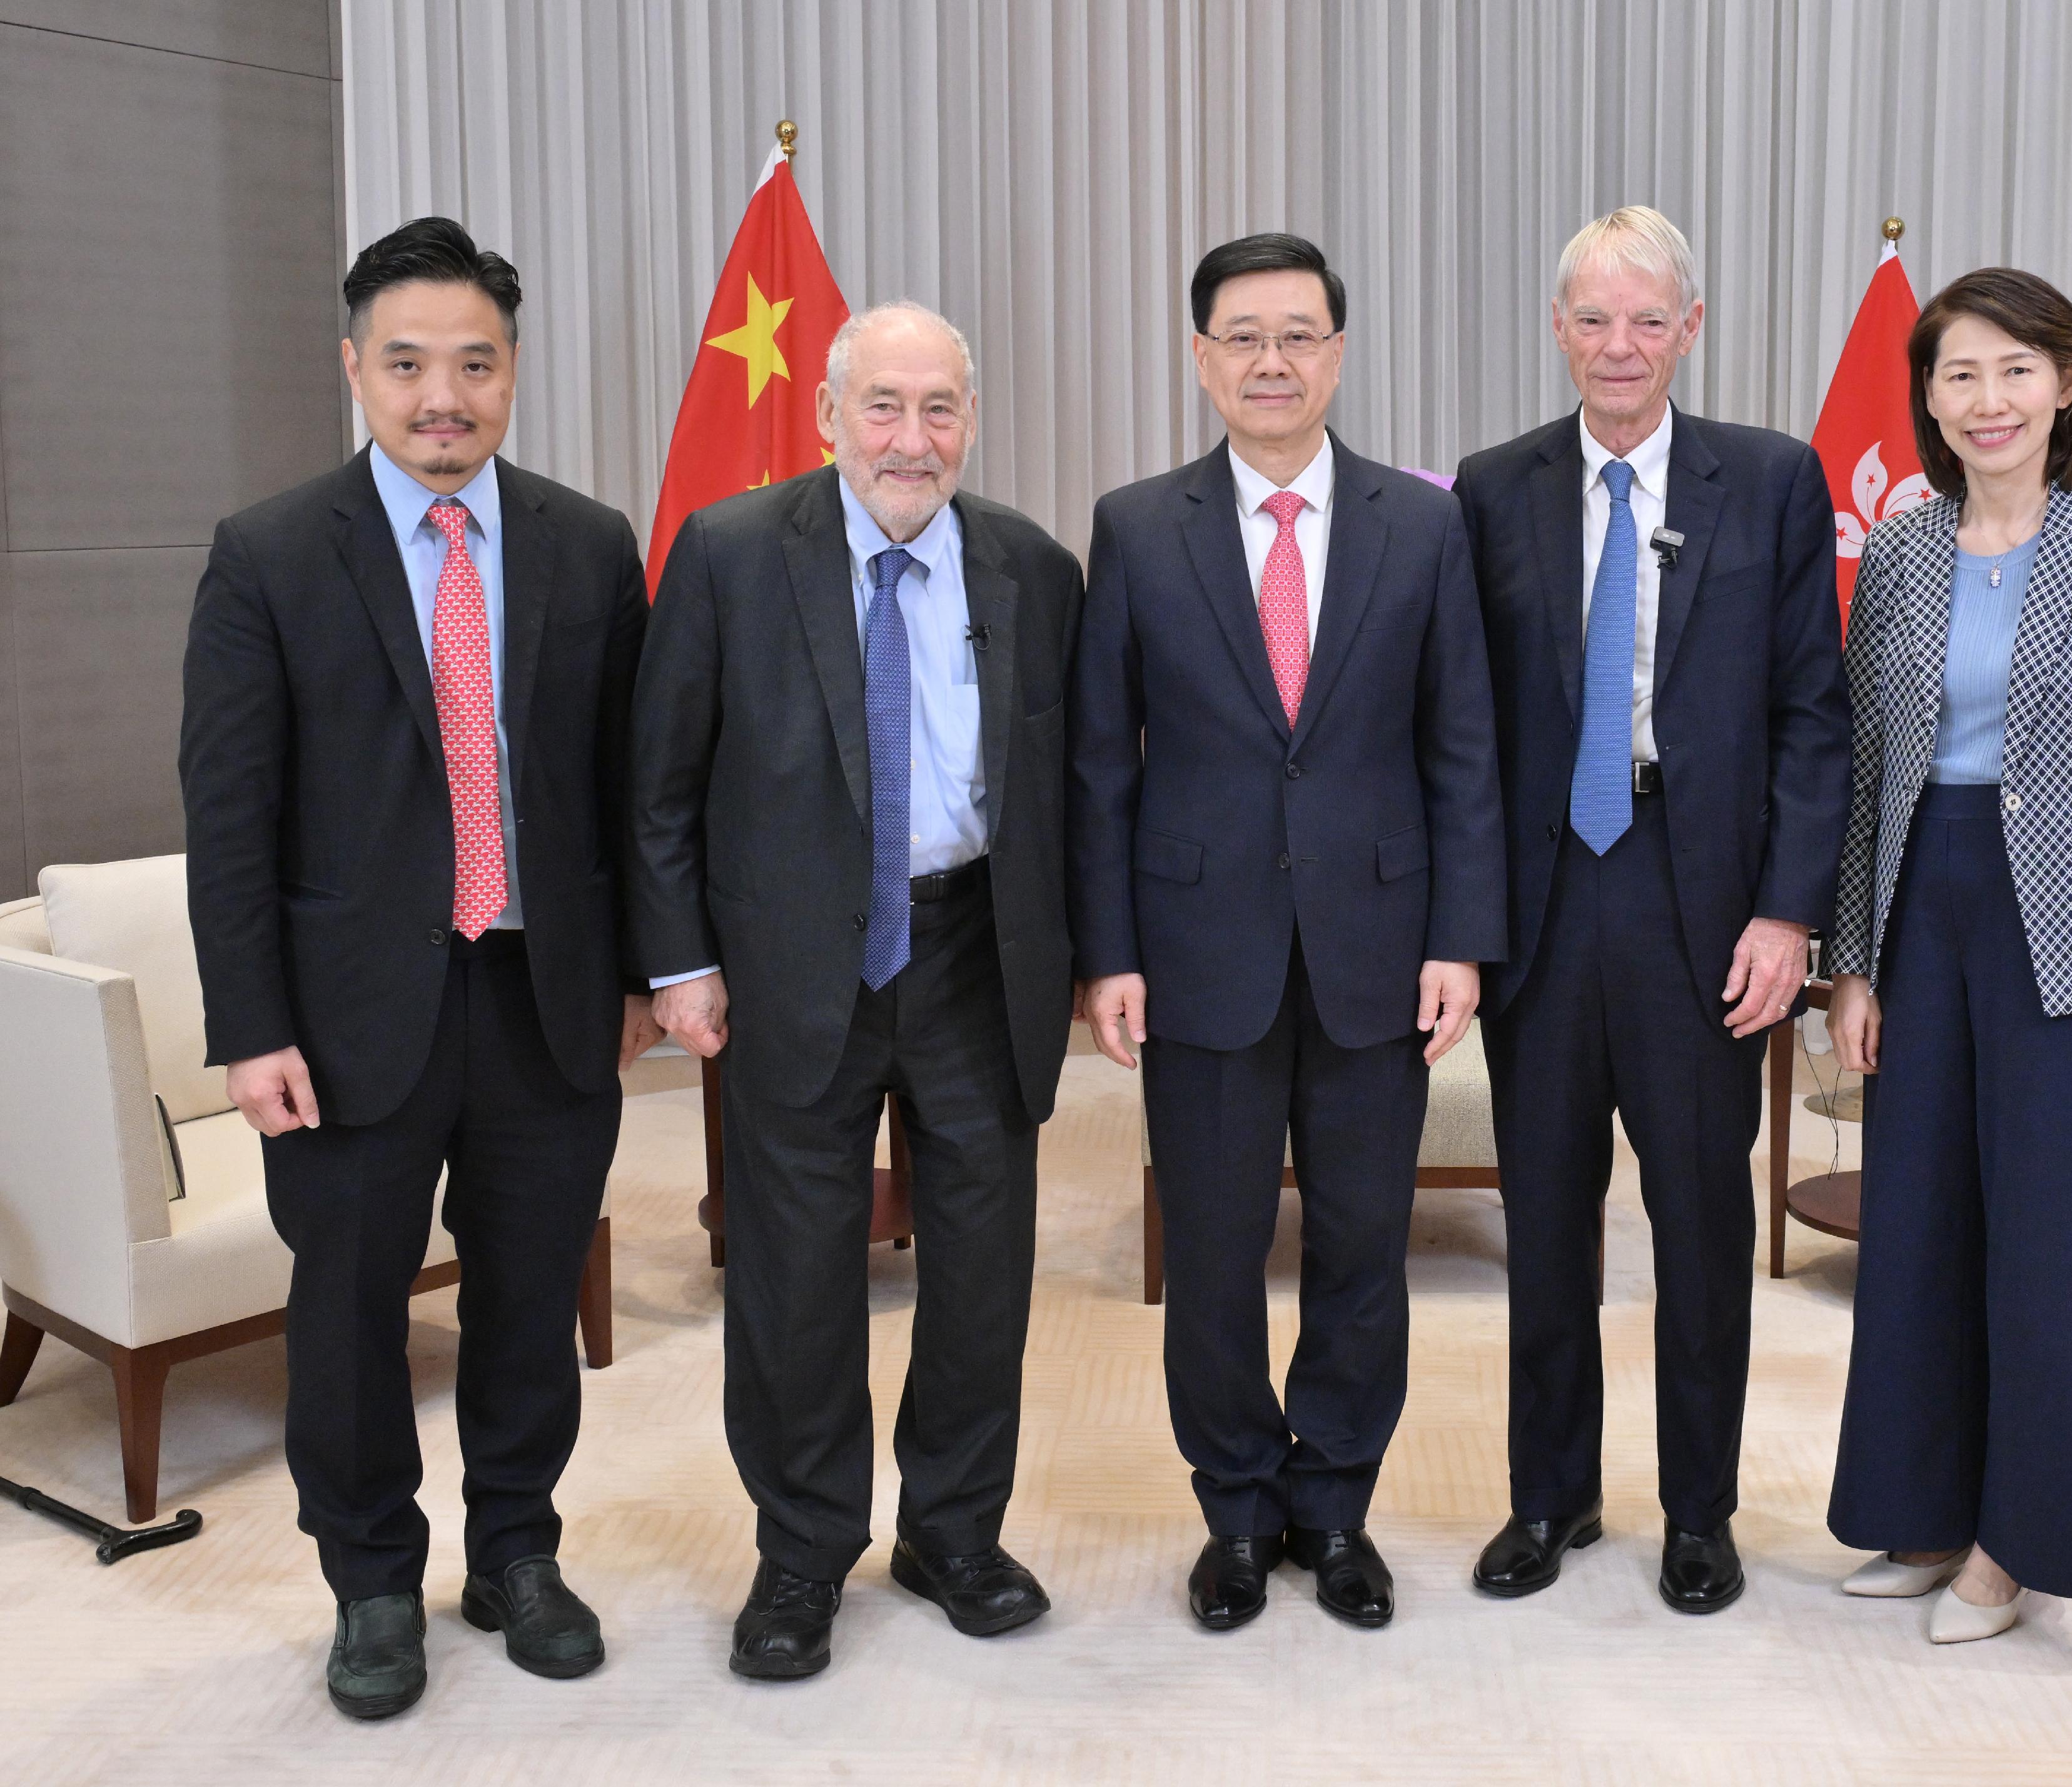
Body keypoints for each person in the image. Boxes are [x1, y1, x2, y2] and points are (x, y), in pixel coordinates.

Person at [180, 218, 655, 1719]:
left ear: (510, 371)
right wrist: (250, 1025)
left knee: (528, 1299)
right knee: (347, 1312)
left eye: (474, 363)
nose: (442, 395)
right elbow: (228, 813)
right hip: (344, 1016)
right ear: (354, 369)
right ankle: (372, 1578)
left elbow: (630, 787)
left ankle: (516, 1551)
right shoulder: (268, 554)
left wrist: (643, 973)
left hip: (544, 996)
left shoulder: (589, 543)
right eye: (407, 364)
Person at [632, 301, 1083, 1680]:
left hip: (974, 957)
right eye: (882, 405)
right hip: (789, 971)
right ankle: (801, 1551)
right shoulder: (727, 554)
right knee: (795, 1277)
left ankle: (954, 1533)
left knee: (982, 1273)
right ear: (828, 414)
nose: (910, 438)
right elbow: (659, 782)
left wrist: (1086, 959)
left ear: (971, 421)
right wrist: (680, 962)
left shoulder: (1031, 567)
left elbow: (1074, 789)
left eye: (939, 408)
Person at [1070, 233, 1505, 1633]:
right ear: (1202, 360)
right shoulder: (1138, 525)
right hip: (1199, 949)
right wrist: (1108, 950)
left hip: (1380, 943)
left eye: (1298, 335)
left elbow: (1462, 747)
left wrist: (1460, 936)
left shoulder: (1421, 524)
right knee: (1213, 1249)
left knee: (1364, 1245)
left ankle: (1335, 1505)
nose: (1272, 361)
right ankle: (1239, 1511)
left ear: (1338, 353)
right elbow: (1100, 761)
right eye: (1243, 337)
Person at [1453, 207, 1850, 1614]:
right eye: (1592, 319)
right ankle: (1549, 1494)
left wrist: (1788, 914)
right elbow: (1464, 728)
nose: (1618, 346)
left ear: (1689, 329)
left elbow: (1813, 716)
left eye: (1645, 320)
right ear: (1558, 330)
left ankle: (1698, 1513)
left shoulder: (1772, 478)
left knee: (1699, 1227)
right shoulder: (1489, 489)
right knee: (1545, 1220)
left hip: (1706, 907)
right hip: (1546, 903)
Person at [1824, 268, 2072, 1644]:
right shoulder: (1902, 551)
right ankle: (1919, 1511)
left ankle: (2011, 1542)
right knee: (1913, 1226)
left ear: (2065, 385)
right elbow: (1868, 769)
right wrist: (1853, 963)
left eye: (2014, 370)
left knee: (2035, 1244)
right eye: (1959, 374)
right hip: (1921, 902)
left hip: (2064, 933)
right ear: (1928, 398)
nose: (1988, 400)